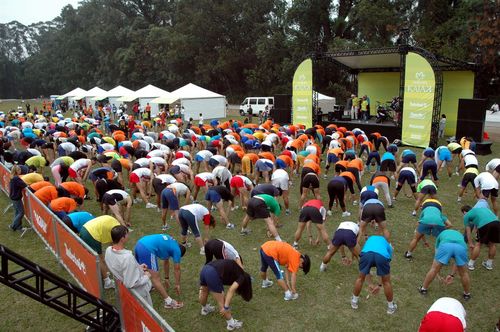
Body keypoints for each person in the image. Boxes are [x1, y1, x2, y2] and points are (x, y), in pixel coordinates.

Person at [134, 234, 186, 309]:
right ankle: (168, 302)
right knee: (155, 278)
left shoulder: (171, 243)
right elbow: (177, 269)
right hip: (147, 249)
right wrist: (177, 284)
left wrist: (166, 278)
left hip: (140, 243)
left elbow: (166, 262)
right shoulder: (177, 250)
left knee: (141, 269)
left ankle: (141, 290)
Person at [105, 225, 153, 306]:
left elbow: (120, 267)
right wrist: (147, 276)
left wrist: (137, 267)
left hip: (122, 289)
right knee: (146, 314)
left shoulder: (108, 250)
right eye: (127, 234)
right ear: (122, 239)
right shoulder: (127, 258)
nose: (128, 235)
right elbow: (131, 283)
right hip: (139, 294)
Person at [198, 259, 252, 331]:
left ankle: (204, 309)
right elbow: (231, 290)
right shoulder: (242, 277)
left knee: (204, 291)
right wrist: (226, 306)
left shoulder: (237, 269)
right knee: (221, 302)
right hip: (212, 274)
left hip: (205, 269)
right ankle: (231, 324)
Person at [417, 229, 471, 300]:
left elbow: (436, 255)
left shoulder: (441, 234)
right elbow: (457, 262)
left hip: (446, 246)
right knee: (464, 273)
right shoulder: (460, 236)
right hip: (460, 248)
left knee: (433, 269)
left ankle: (423, 289)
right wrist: (452, 275)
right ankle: (466, 294)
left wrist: (437, 273)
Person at [351, 235, 397, 314]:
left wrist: (370, 284)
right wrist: (379, 285)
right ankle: (391, 307)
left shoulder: (369, 240)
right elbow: (386, 264)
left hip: (366, 255)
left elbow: (366, 270)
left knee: (360, 279)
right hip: (381, 257)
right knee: (387, 282)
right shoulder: (386, 243)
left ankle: (354, 301)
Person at [79, 215, 121, 289]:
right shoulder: (114, 230)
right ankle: (107, 282)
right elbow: (114, 246)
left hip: (85, 229)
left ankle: (105, 272)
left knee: (100, 256)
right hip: (91, 234)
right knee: (98, 257)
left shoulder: (113, 222)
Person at [461, 205, 500, 271]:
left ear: (464, 212)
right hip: (497, 223)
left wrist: (470, 243)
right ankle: (489, 264)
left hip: (485, 224)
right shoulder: (482, 208)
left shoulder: (466, 216)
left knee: (478, 244)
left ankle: (470, 264)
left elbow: (468, 231)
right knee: (492, 244)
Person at [8, 165, 27, 233]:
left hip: (13, 197)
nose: (21, 171)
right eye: (19, 170)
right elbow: (24, 185)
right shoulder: (16, 178)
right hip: (16, 198)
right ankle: (13, 225)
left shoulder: (12, 177)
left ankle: (19, 227)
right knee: (21, 212)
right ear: (17, 171)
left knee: (17, 212)